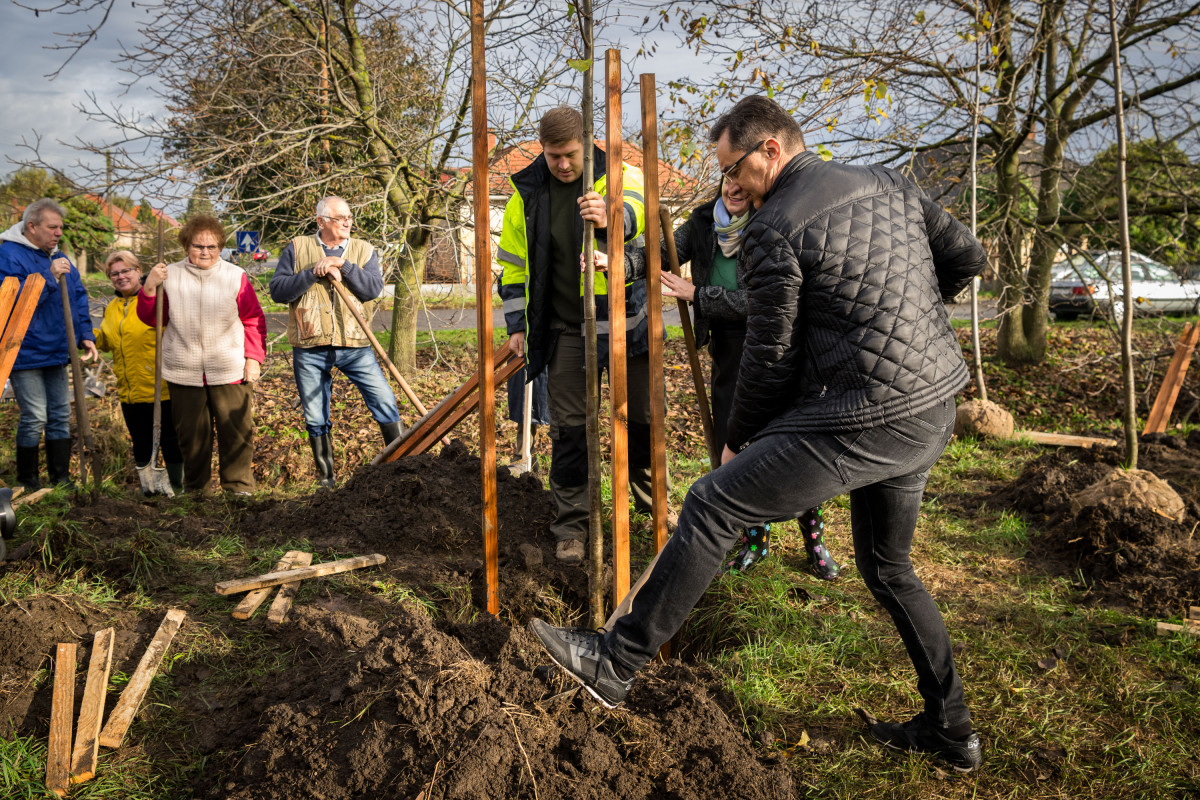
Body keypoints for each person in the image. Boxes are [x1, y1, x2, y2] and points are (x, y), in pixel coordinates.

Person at [531, 96, 988, 773]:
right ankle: (953, 731)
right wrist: (913, 317)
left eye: (736, 169)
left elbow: (771, 355)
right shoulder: (888, 179)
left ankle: (612, 662)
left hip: (864, 412)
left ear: (771, 148)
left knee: (715, 500)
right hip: (932, 404)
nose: (733, 185)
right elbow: (966, 258)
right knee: (889, 567)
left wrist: (736, 438)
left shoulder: (776, 224)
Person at [497, 106, 656, 564]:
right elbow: (513, 268)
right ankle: (571, 526)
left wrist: (612, 217)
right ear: (542, 151)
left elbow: (639, 213)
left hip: (630, 328)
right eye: (553, 157)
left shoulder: (618, 175)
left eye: (570, 155)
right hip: (566, 330)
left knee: (642, 425)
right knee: (570, 432)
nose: (563, 165)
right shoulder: (524, 197)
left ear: (587, 145)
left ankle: (649, 512)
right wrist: (516, 328)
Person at [661, 178, 840, 579]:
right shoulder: (705, 221)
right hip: (727, 346)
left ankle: (814, 539)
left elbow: (763, 301)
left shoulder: (774, 223)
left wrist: (699, 295)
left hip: (776, 342)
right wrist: (615, 261)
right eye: (728, 179)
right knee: (735, 440)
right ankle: (755, 539)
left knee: (790, 442)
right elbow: (662, 250)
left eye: (743, 183)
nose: (734, 189)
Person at [268, 196, 403, 488]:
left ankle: (401, 468)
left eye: (349, 217)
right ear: (321, 222)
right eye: (340, 218)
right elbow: (278, 291)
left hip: (355, 343)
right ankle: (327, 482)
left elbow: (372, 290)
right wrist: (311, 273)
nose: (347, 222)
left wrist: (343, 265)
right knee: (315, 413)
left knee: (383, 400)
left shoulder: (363, 250)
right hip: (309, 345)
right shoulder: (297, 247)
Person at [138, 214, 266, 494]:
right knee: (192, 437)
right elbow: (153, 318)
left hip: (229, 367)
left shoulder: (235, 276)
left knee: (236, 433)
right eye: (198, 246)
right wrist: (149, 286)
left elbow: (253, 320)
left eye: (211, 247)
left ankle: (240, 490)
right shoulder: (169, 275)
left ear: (220, 247)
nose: (205, 252)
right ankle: (197, 492)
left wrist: (253, 359)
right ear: (187, 246)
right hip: (183, 369)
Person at [0, 198, 98, 489]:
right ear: (31, 226)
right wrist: (49, 275)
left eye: (61, 228)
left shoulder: (56, 255)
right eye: (52, 227)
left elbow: (78, 297)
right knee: (34, 416)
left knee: (59, 414)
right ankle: (28, 481)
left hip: (56, 351)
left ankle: (61, 479)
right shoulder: (8, 255)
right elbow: (12, 301)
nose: (59, 233)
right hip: (23, 351)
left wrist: (85, 335)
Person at [94, 250, 184, 490]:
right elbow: (106, 340)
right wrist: (85, 338)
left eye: (126, 271)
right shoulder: (112, 307)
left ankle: (178, 487)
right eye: (114, 273)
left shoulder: (155, 298)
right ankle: (149, 488)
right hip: (130, 390)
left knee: (170, 440)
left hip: (160, 387)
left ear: (138, 272)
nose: (120, 276)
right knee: (140, 441)